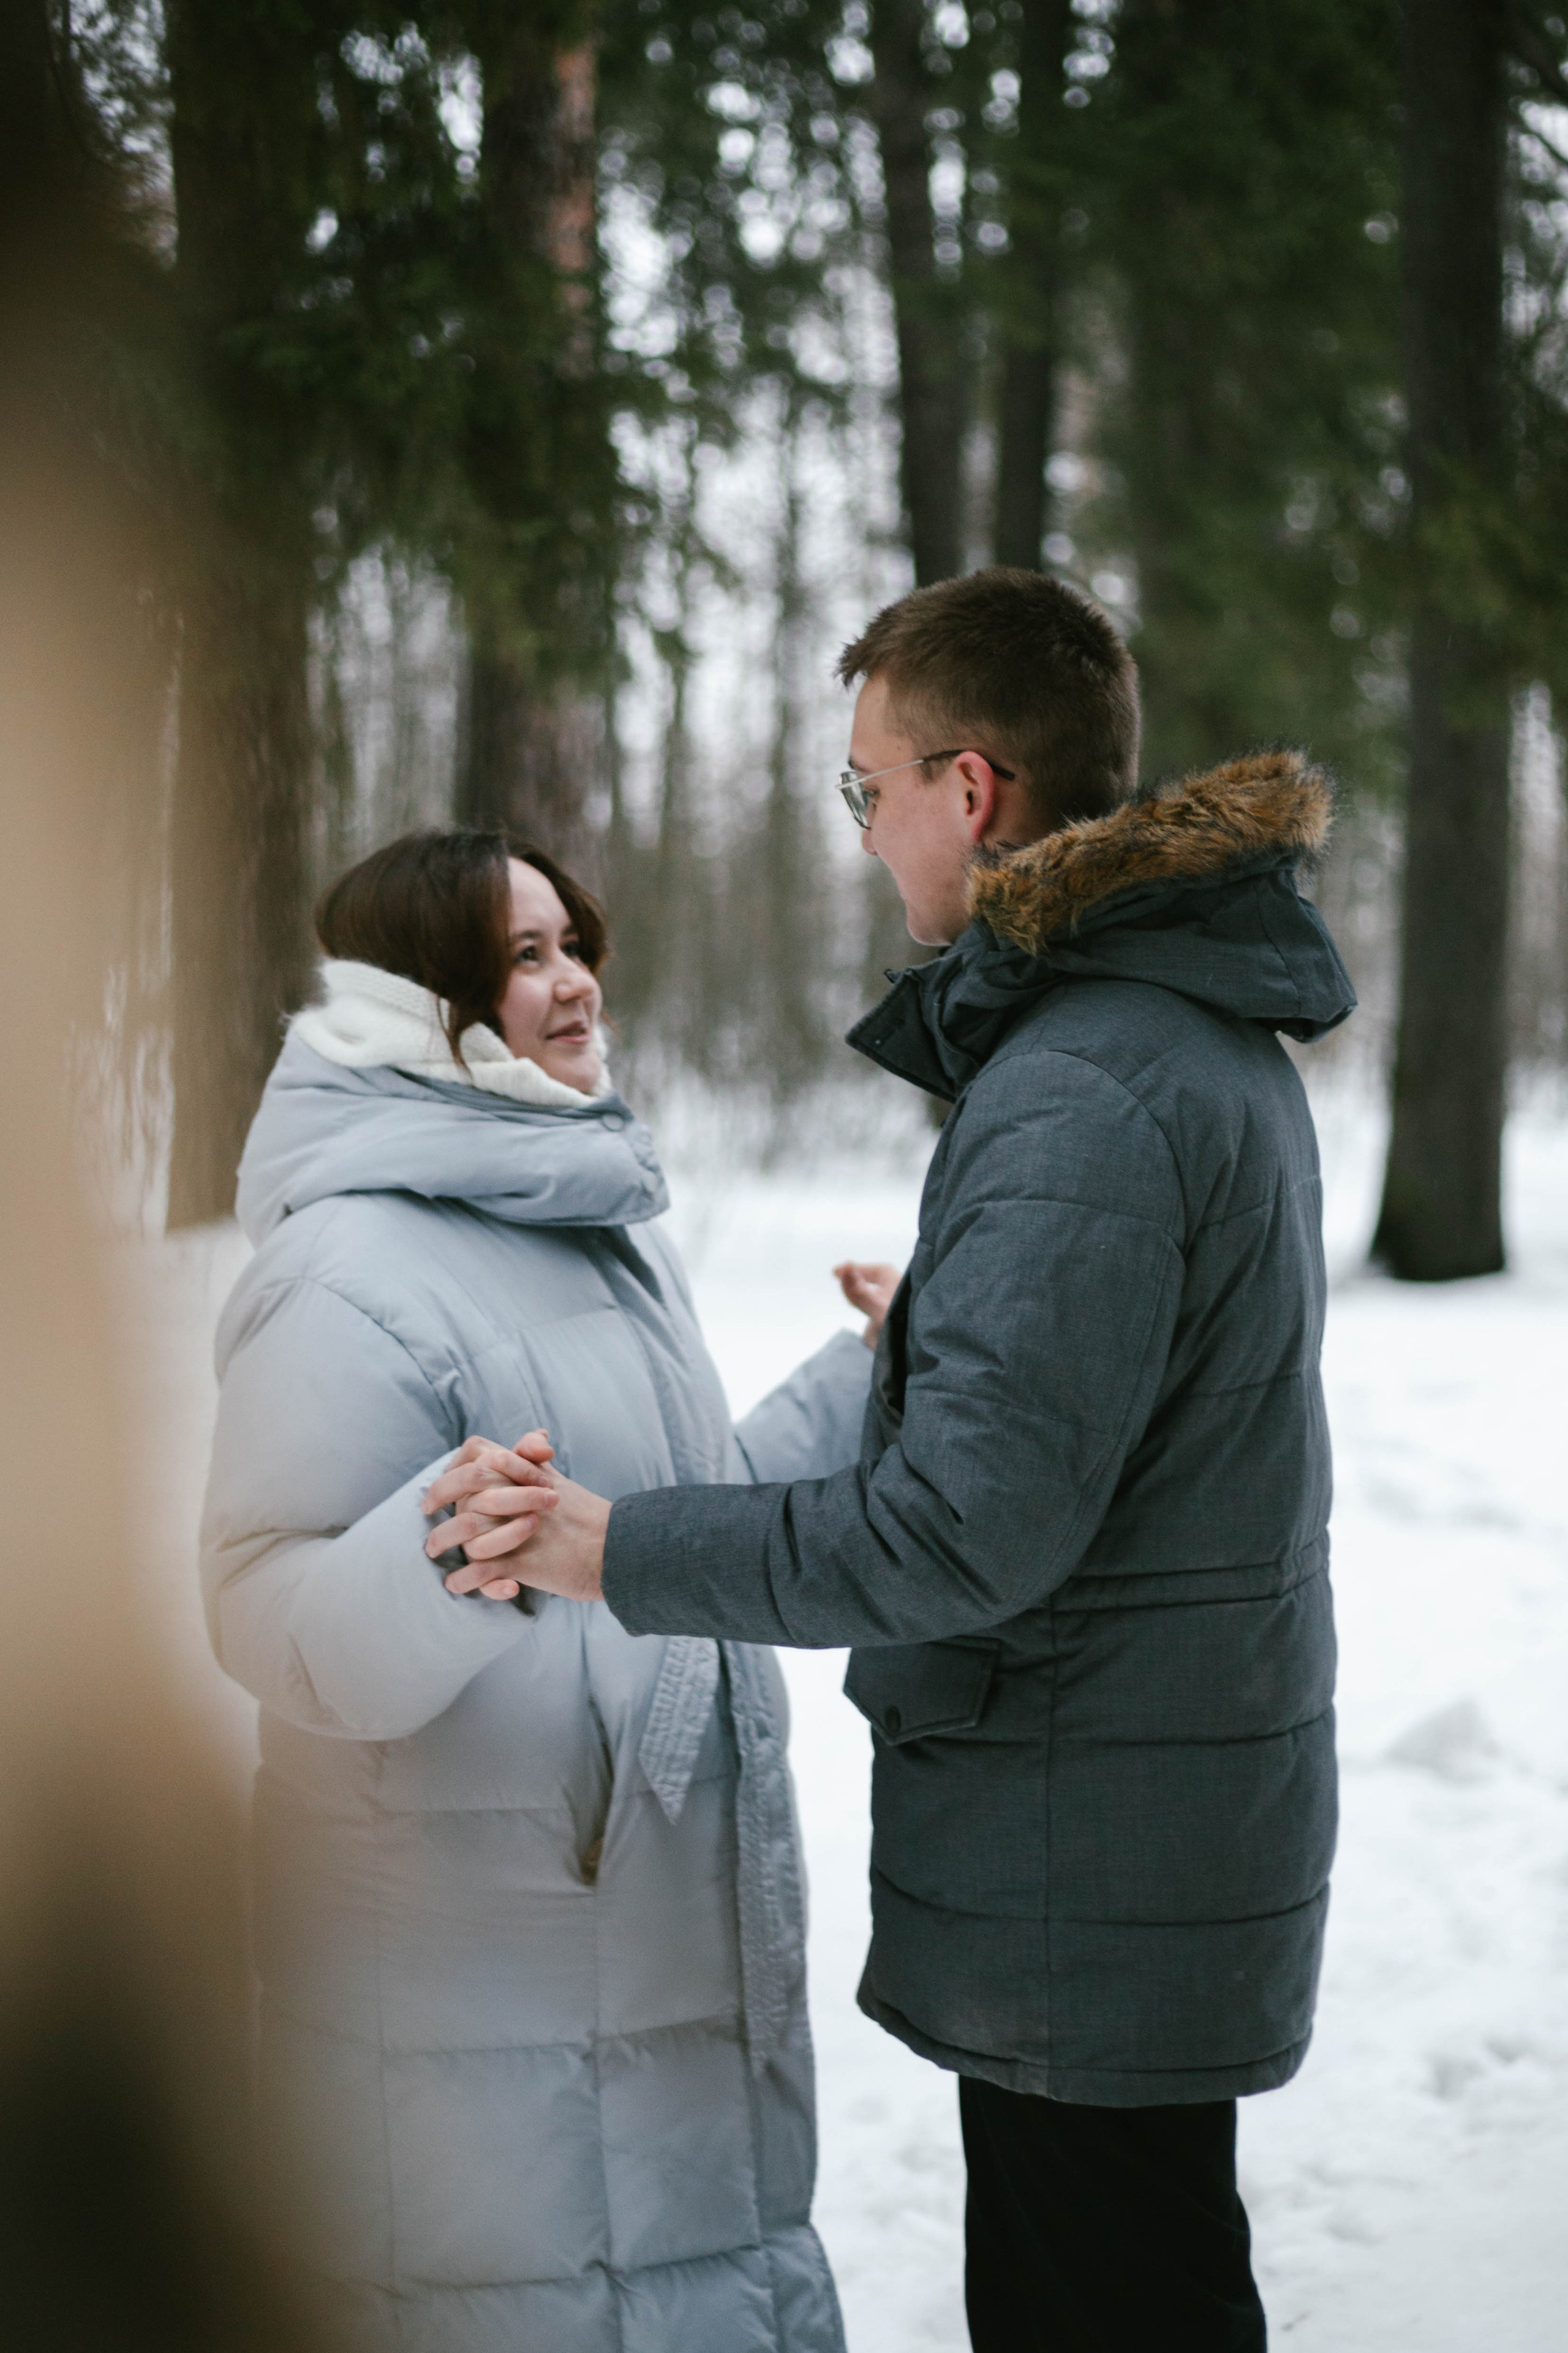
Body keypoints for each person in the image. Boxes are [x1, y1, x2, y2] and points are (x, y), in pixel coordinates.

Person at [429, 569, 1360, 2352]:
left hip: (1094, 1859)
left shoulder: (1087, 1084)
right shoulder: (1173, 1037)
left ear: (973, 790)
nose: (864, 836)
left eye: (869, 791)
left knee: (1105, 2296)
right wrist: (953, 1326)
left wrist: (604, 1545)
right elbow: (1143, 1397)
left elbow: (958, 1536)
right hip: (1139, 1840)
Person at [200, 826, 896, 2353]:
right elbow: (261, 1608)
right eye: (525, 956)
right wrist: (438, 1558)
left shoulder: (592, 1220)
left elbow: (672, 1512)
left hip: (668, 1942)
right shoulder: (349, 1267)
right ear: (415, 1001)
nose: (575, 980)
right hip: (481, 1995)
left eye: (573, 942)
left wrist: (870, 1381)